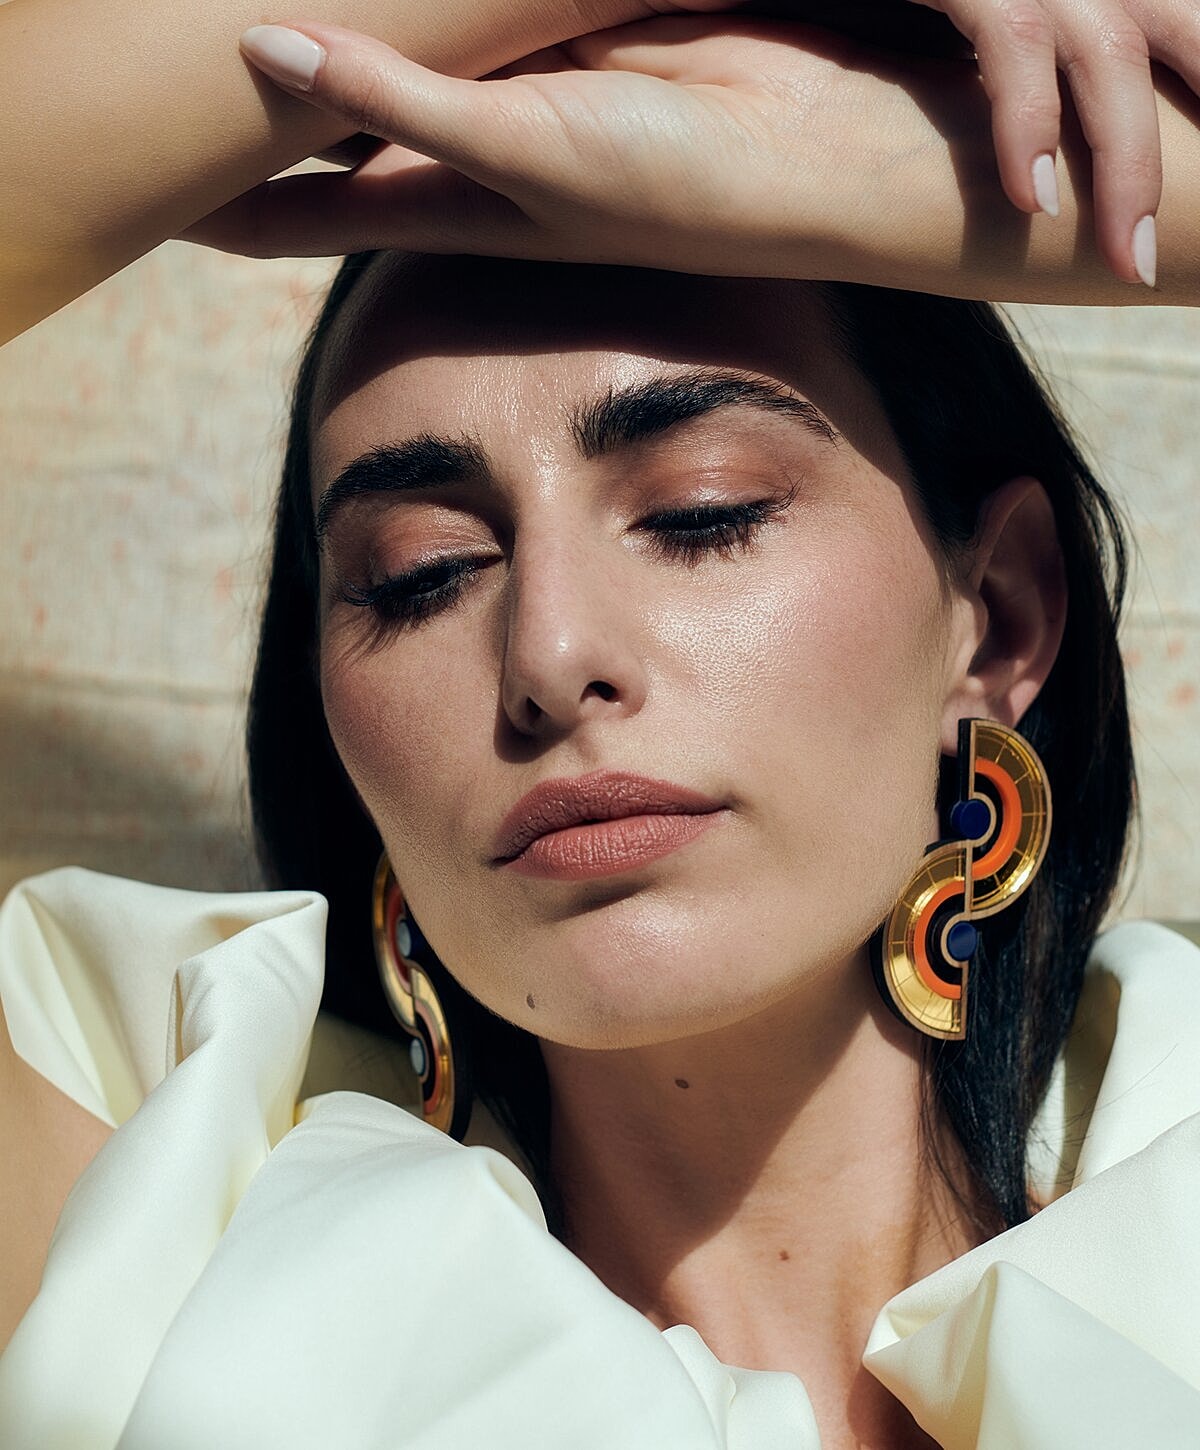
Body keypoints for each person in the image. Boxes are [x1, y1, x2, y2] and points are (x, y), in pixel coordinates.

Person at [1, 3, 1199, 1447]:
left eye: (702, 513)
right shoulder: (166, 1272)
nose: (551, 654)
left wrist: (893, 169)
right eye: (420, 574)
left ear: (998, 616)